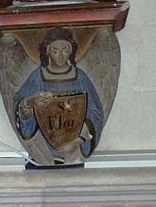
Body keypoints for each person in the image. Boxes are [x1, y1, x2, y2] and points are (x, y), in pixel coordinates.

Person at [13, 28, 104, 161]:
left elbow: (95, 114)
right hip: (46, 149)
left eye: (65, 50)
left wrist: (78, 140)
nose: (60, 56)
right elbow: (21, 111)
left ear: (71, 50)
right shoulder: (38, 78)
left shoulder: (80, 78)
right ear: (47, 51)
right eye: (55, 50)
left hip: (74, 148)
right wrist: (29, 103)